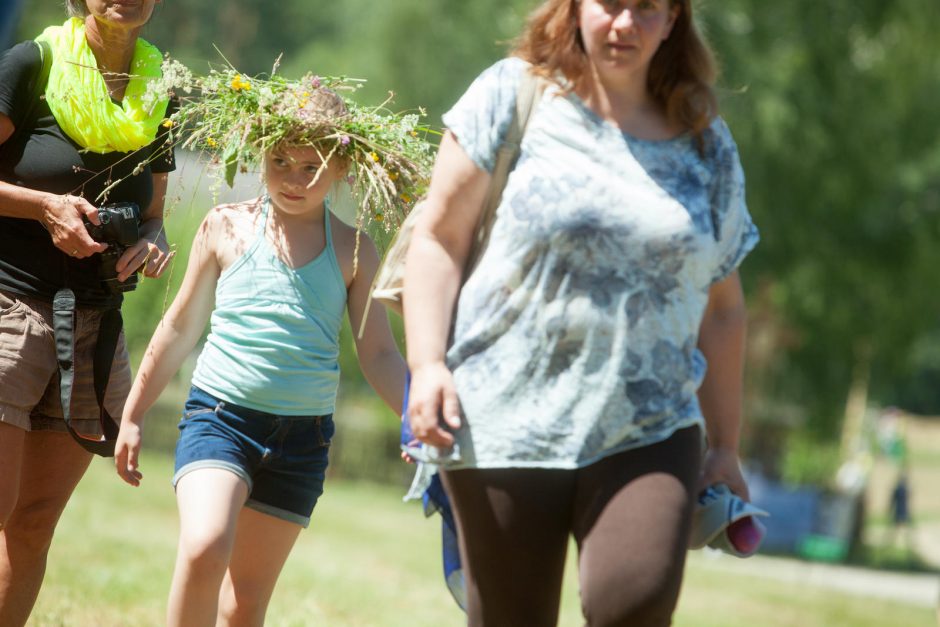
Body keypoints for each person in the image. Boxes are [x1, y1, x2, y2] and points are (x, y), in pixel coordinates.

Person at [403, 0, 760, 625]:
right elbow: (438, 239)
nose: (625, 22)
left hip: (649, 427)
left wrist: (726, 445)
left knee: (636, 606)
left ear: (674, 19)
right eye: (610, 3)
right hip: (503, 417)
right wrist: (428, 362)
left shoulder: (706, 144)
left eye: (647, 8)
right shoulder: (512, 96)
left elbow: (724, 309)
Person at [114, 81, 415, 625]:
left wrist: (418, 418)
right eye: (281, 161)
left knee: (245, 604)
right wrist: (133, 414)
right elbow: (179, 328)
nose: (294, 178)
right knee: (205, 546)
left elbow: (379, 355)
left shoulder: (354, 249)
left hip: (302, 440)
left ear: (343, 166)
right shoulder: (225, 226)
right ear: (260, 151)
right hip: (220, 419)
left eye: (311, 167)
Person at [0, 1, 174, 624]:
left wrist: (152, 239)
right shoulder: (32, 64)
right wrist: (45, 208)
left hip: (94, 327)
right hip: (9, 307)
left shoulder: (162, 90)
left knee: (35, 525)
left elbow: (152, 209)